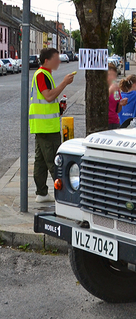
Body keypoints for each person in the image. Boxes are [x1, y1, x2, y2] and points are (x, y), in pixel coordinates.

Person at [29, 47, 74, 203]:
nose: (59, 61)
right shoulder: (42, 74)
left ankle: (41, 193)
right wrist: (64, 83)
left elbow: (47, 99)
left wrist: (58, 107)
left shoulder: (44, 74)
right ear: (47, 61)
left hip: (42, 126)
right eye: (56, 59)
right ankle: (65, 194)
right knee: (55, 162)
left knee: (40, 162)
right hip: (47, 127)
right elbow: (48, 96)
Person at [107, 63, 127, 129]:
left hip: (114, 122)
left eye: (114, 75)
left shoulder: (116, 89)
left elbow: (117, 110)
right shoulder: (102, 87)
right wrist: (110, 90)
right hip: (105, 122)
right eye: (110, 75)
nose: (112, 77)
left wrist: (121, 104)